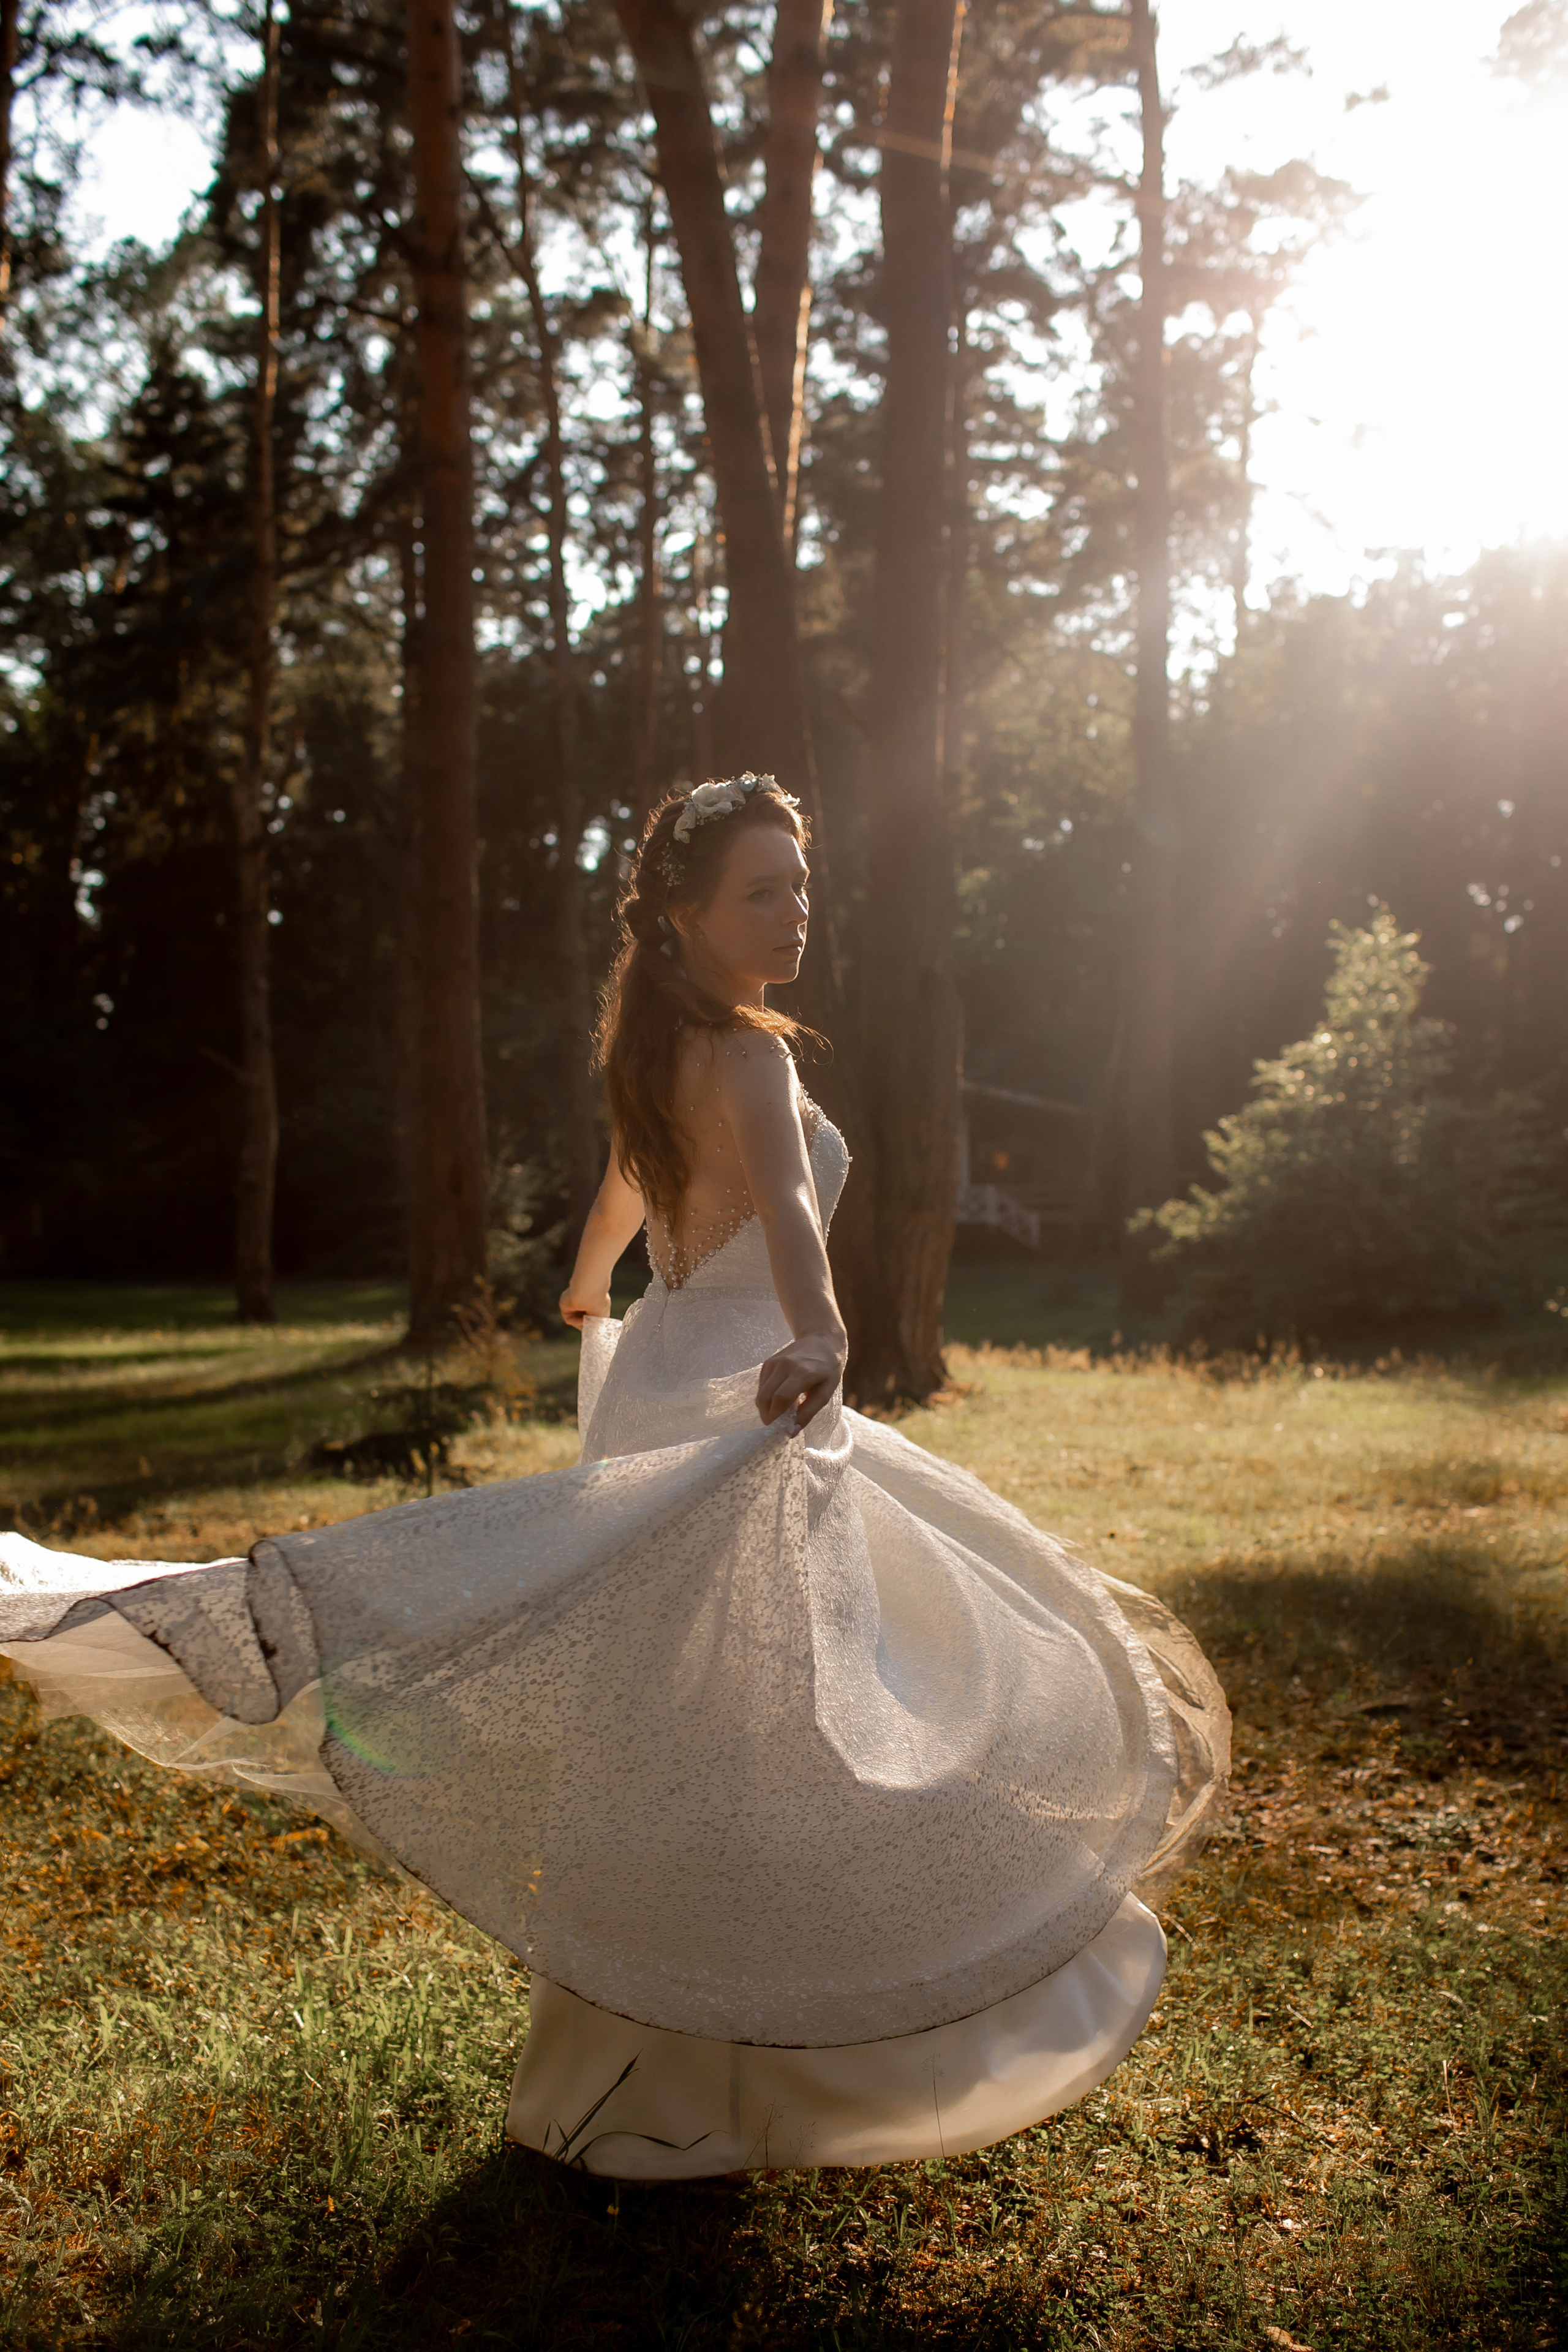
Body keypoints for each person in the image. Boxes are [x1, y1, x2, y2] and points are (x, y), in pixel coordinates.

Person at [0, 774, 1228, 2181]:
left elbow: (624, 1200)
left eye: (800, 885)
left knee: (675, 1717)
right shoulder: (749, 1053)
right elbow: (780, 1216)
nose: (792, 910)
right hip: (751, 1384)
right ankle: (738, 2059)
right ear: (689, 916)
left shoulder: (655, 1039)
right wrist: (822, 1334)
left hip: (664, 1374)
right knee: (762, 1717)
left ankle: (634, 2072)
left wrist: (590, 1290)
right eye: (759, 891)